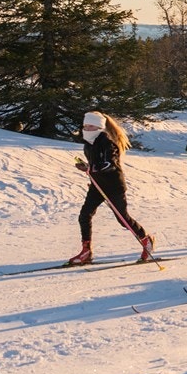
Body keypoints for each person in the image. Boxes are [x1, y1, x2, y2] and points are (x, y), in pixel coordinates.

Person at [68, 110, 155, 266]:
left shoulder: (107, 142)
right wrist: (86, 167)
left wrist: (92, 169)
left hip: (114, 186)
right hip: (97, 185)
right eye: (85, 126)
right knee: (84, 215)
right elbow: (95, 164)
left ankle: (146, 239)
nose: (86, 130)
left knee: (123, 219)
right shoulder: (89, 144)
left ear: (99, 127)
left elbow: (110, 164)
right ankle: (86, 251)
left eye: (90, 127)